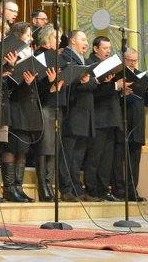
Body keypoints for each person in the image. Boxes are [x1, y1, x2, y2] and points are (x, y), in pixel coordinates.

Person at [2, 22, 39, 202]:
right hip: (13, 104)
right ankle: (9, 188)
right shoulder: (11, 53)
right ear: (18, 36)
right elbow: (6, 82)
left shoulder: (29, 55)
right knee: (11, 147)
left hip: (26, 106)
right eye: (28, 35)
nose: (31, 39)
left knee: (23, 149)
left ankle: (18, 187)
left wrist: (30, 81)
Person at [58, 30, 97, 201]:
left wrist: (88, 81)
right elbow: (66, 81)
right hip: (72, 111)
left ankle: (76, 188)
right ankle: (66, 188)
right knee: (68, 153)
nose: (86, 43)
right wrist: (83, 81)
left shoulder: (85, 61)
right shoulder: (66, 57)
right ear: (73, 41)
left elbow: (94, 83)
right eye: (83, 39)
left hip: (85, 112)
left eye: (87, 39)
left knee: (78, 155)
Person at [84, 36, 123, 201]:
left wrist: (120, 88)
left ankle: (103, 189)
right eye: (105, 48)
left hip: (111, 116)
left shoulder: (109, 65)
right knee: (95, 156)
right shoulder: (90, 64)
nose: (108, 51)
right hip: (98, 116)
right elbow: (93, 92)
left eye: (109, 48)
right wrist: (114, 86)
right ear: (95, 49)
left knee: (107, 158)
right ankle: (91, 189)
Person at [120, 46, 148, 201]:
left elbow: (146, 102)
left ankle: (132, 191)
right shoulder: (119, 74)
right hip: (123, 120)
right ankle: (119, 190)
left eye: (135, 60)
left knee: (135, 160)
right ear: (123, 59)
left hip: (137, 123)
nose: (133, 63)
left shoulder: (141, 76)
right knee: (120, 160)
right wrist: (122, 92)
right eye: (130, 60)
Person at [33, 25, 62, 201]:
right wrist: (50, 83)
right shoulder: (39, 56)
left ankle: (50, 185)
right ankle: (43, 187)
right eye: (55, 38)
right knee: (44, 147)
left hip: (54, 105)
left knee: (53, 148)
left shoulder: (57, 57)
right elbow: (36, 86)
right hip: (42, 106)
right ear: (46, 39)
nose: (59, 41)